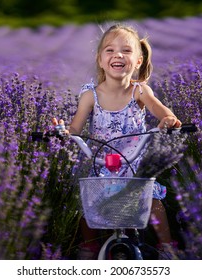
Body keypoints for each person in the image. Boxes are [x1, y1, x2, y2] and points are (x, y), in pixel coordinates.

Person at [66, 23, 182, 259]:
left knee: (153, 201)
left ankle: (167, 247)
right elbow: (75, 128)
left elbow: (161, 111)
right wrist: (61, 132)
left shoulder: (140, 91)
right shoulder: (90, 95)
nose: (117, 55)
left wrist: (168, 120)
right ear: (100, 60)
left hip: (134, 165)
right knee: (87, 205)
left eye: (126, 51)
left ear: (138, 61)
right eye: (109, 50)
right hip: (101, 164)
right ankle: (89, 247)